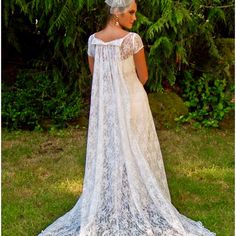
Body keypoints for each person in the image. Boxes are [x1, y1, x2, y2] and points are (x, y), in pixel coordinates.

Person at [38, 0, 216, 235]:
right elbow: (143, 76)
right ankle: (132, 201)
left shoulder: (93, 41)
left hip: (107, 106)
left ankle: (117, 200)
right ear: (116, 13)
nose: (134, 18)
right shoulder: (132, 40)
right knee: (134, 151)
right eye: (131, 12)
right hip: (132, 101)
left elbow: (97, 75)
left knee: (112, 151)